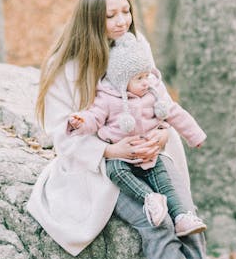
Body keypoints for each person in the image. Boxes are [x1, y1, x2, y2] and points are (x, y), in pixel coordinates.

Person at [27, 0, 236, 259]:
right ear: (91, 20)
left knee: (190, 226)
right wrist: (111, 151)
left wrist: (162, 134)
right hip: (104, 172)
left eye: (125, 11)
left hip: (153, 157)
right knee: (157, 225)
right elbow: (62, 136)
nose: (121, 20)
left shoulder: (135, 50)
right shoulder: (68, 69)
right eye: (110, 15)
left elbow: (159, 104)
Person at [66, 30, 207, 237]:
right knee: (117, 173)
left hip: (150, 155)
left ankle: (181, 218)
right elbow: (94, 118)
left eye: (147, 75)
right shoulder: (107, 99)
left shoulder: (154, 95)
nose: (146, 82)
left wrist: (195, 136)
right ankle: (149, 198)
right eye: (139, 78)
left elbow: (176, 113)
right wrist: (80, 122)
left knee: (165, 180)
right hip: (121, 157)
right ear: (123, 82)